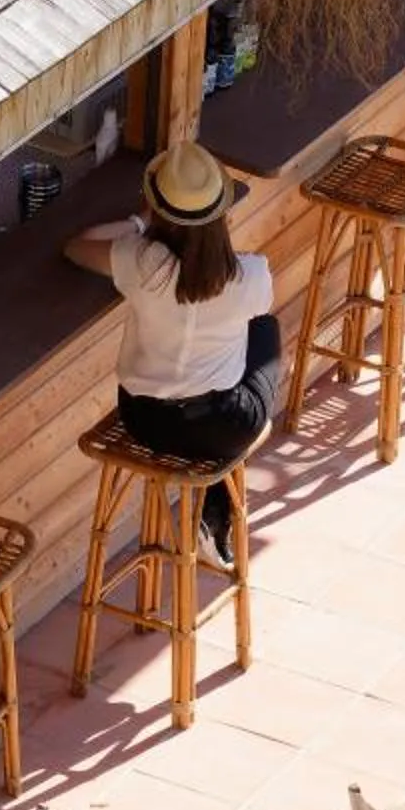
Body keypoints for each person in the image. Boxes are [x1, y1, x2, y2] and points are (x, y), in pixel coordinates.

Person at [65, 139, 279, 562]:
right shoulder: (251, 276)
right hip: (221, 427)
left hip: (144, 420)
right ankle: (214, 510)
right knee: (264, 331)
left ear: (158, 207)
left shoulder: (140, 263)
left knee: (241, 346)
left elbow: (77, 246)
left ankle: (213, 509)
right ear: (222, 212)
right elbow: (250, 311)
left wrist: (140, 223)